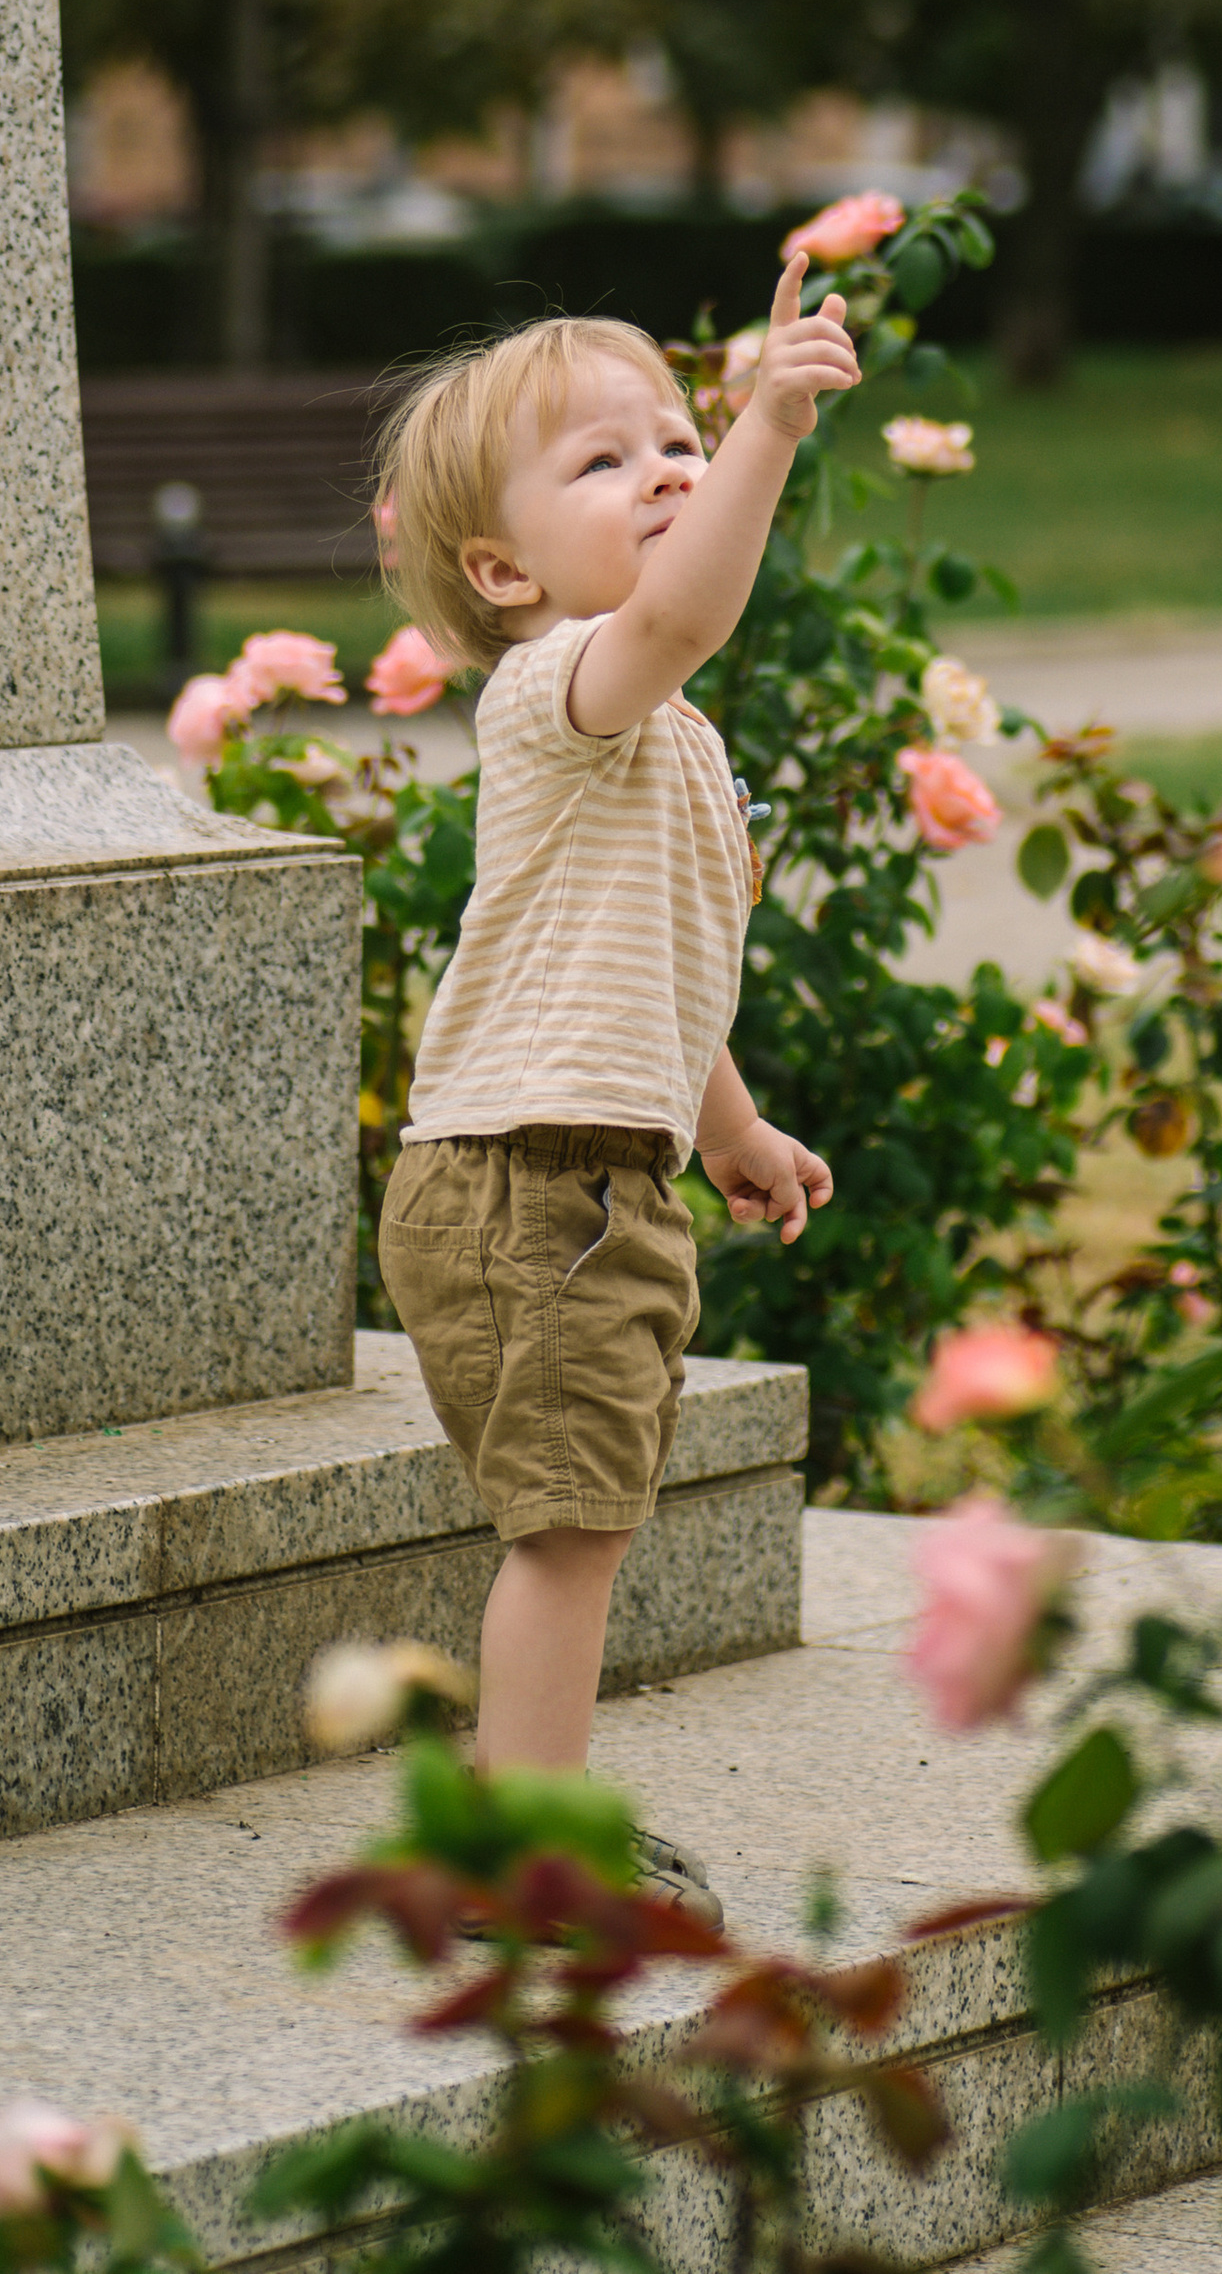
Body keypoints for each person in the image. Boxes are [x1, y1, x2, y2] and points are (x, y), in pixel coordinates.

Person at [371, 252, 853, 1924]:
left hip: (588, 1177)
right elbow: (685, 613)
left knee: (587, 1522)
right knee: (570, 1532)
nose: (663, 473)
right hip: (531, 1187)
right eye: (605, 462)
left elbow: (661, 966)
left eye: (675, 443)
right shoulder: (559, 690)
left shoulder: (663, 735)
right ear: (505, 571)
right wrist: (763, 430)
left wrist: (732, 1128)